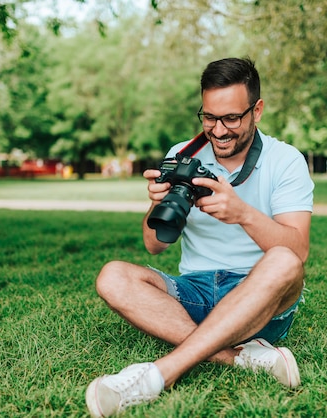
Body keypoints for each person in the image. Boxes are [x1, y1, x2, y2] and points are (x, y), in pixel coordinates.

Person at [85, 57, 314, 417]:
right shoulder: (183, 155)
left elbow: (298, 250)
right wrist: (158, 205)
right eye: (209, 117)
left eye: (231, 119)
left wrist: (242, 214)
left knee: (284, 259)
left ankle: (160, 374)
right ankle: (240, 358)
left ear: (257, 110)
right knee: (113, 275)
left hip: (260, 297)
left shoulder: (285, 160)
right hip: (194, 292)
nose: (219, 130)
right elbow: (154, 245)